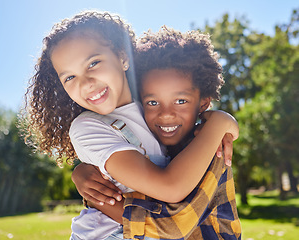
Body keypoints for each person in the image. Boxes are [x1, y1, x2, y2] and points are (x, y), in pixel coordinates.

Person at [23, 10, 238, 240]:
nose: (86, 83)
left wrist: (220, 124)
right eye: (69, 77)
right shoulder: (87, 127)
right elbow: (171, 188)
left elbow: (225, 135)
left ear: (122, 57)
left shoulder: (151, 108)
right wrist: (220, 122)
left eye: (93, 63)